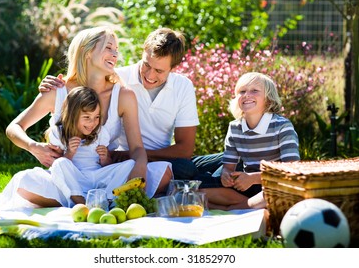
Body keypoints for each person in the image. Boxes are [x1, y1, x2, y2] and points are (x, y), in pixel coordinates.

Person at [0, 26, 172, 208]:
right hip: (66, 176)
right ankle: (100, 201)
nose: (114, 54)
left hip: (104, 176)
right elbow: (14, 127)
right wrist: (33, 147)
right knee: (24, 181)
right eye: (108, 48)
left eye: (116, 50)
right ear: (87, 51)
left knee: (163, 172)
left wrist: (139, 169)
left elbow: (137, 148)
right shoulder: (57, 91)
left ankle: (84, 201)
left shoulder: (123, 95)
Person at [40, 28, 200, 180]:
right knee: (189, 172)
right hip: (120, 161)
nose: (150, 75)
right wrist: (52, 86)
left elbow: (185, 149)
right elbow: (82, 88)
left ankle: (209, 186)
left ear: (173, 68)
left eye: (159, 71)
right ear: (142, 52)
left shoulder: (182, 86)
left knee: (199, 166)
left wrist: (135, 157)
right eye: (147, 65)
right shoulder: (114, 78)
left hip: (144, 157)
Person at [198, 72, 300, 210]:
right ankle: (248, 206)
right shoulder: (234, 127)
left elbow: (291, 170)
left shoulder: (282, 126)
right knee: (201, 191)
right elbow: (228, 167)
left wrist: (252, 178)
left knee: (279, 192)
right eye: (242, 91)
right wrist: (226, 176)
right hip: (247, 186)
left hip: (275, 184)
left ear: (268, 99)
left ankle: (235, 207)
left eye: (254, 91)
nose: (247, 95)